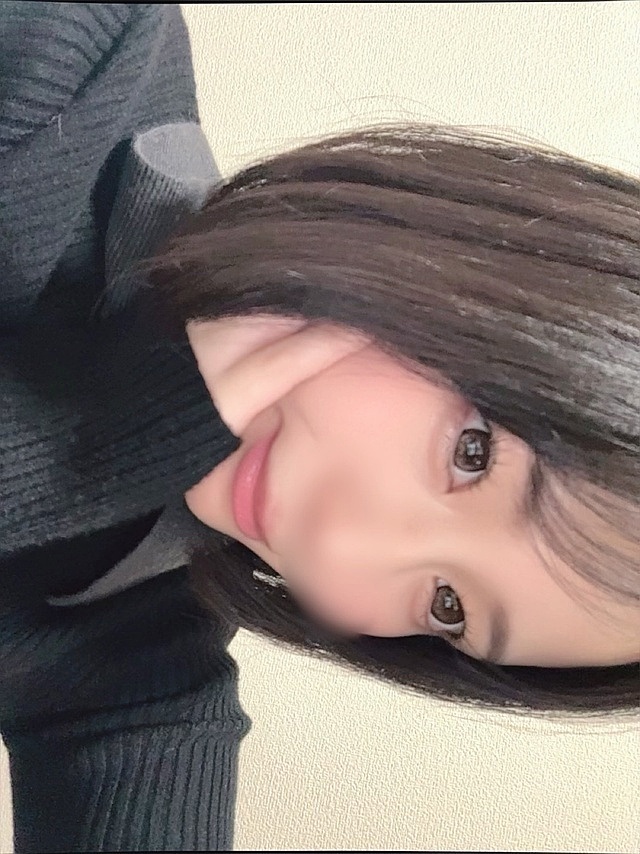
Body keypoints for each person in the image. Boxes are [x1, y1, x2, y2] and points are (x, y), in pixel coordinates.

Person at [0, 2, 638, 852]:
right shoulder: (68, 45)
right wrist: (103, 446)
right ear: (467, 266)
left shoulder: (132, 651)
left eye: (447, 605)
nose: (340, 550)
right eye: (472, 453)